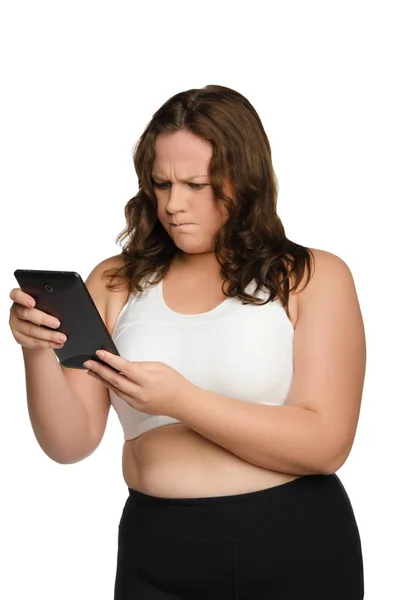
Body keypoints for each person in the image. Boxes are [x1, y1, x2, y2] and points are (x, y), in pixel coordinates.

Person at [9, 84, 366, 599]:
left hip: (294, 543)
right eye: (161, 183)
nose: (174, 204)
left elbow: (327, 444)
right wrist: (36, 349)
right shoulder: (115, 282)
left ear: (244, 181)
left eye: (196, 184)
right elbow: (69, 444)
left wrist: (181, 401)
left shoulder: (312, 276)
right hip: (156, 549)